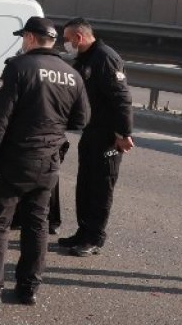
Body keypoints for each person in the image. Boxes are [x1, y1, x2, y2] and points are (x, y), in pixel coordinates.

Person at [0, 17, 89, 309]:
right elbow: (81, 119)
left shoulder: (18, 68)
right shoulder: (72, 75)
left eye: (23, 38)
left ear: (30, 38)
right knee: (37, 224)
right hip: (48, 162)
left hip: (13, 161)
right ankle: (28, 289)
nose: (22, 43)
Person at [56, 18, 134, 257]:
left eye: (67, 39)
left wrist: (123, 133)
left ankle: (94, 238)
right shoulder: (86, 58)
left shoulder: (105, 58)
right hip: (91, 131)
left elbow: (122, 99)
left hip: (108, 135)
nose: (66, 44)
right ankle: (83, 232)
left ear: (79, 37)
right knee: (86, 184)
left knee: (101, 186)